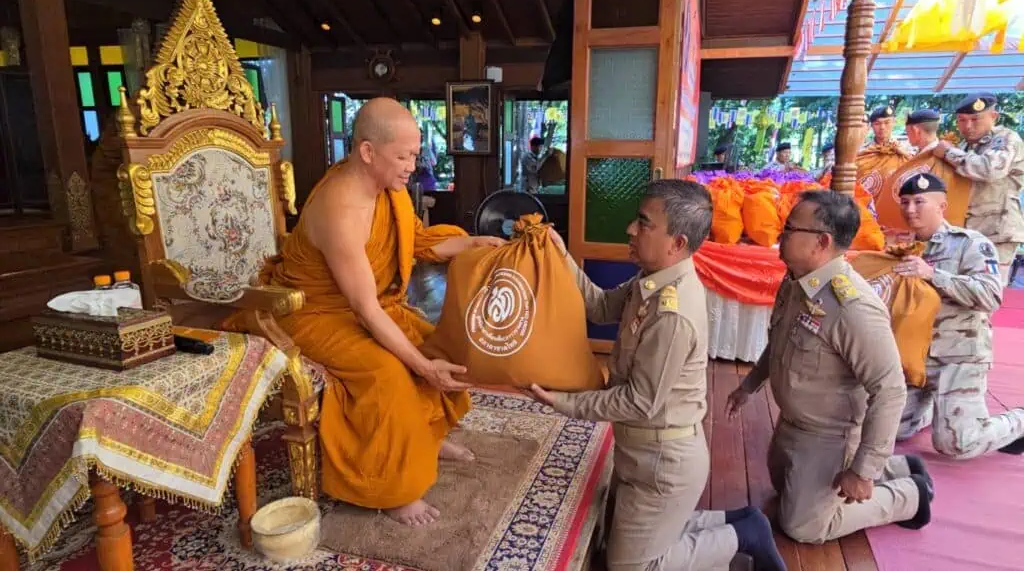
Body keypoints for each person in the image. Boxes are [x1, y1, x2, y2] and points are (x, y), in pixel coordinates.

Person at [230, 97, 504, 525]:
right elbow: (366, 310)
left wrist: (471, 243)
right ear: (368, 152)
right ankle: (392, 489)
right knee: (389, 371)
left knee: (438, 345)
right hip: (313, 313)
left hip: (364, 304)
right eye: (404, 156)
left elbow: (412, 241)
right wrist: (422, 368)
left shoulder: (388, 191)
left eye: (416, 154)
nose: (414, 164)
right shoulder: (340, 209)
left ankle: (425, 440)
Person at [528, 180, 787, 571]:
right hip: (641, 454)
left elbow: (638, 401)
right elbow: (598, 307)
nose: (631, 230)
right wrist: (561, 255)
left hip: (662, 467)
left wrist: (562, 401)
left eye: (644, 224)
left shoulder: (672, 312)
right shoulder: (653, 280)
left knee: (630, 567)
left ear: (677, 243)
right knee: (614, 542)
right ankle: (741, 521)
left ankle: (744, 536)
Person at [725, 189, 933, 545]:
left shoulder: (852, 307)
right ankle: (895, 466)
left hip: (830, 434)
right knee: (780, 487)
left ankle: (908, 496)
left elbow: (890, 390)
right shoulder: (796, 281)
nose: (779, 235)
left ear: (821, 242)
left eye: (790, 229)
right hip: (794, 423)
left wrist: (863, 471)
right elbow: (780, 341)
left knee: (803, 526)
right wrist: (750, 385)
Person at [892, 172, 1024, 456]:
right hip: (915, 357)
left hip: (958, 356)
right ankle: (938, 408)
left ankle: (1019, 421)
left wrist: (933, 275)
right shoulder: (901, 248)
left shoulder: (971, 244)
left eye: (919, 201)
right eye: (904, 202)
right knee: (890, 430)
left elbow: (990, 296)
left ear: (942, 206)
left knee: (956, 444)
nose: (910, 209)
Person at [932, 92, 1024, 287]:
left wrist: (949, 152)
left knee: (986, 290)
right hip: (967, 229)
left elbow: (989, 169)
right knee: (962, 289)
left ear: (993, 116)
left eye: (975, 119)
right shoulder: (965, 146)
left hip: (997, 229)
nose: (968, 126)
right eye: (962, 120)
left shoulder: (1007, 138)